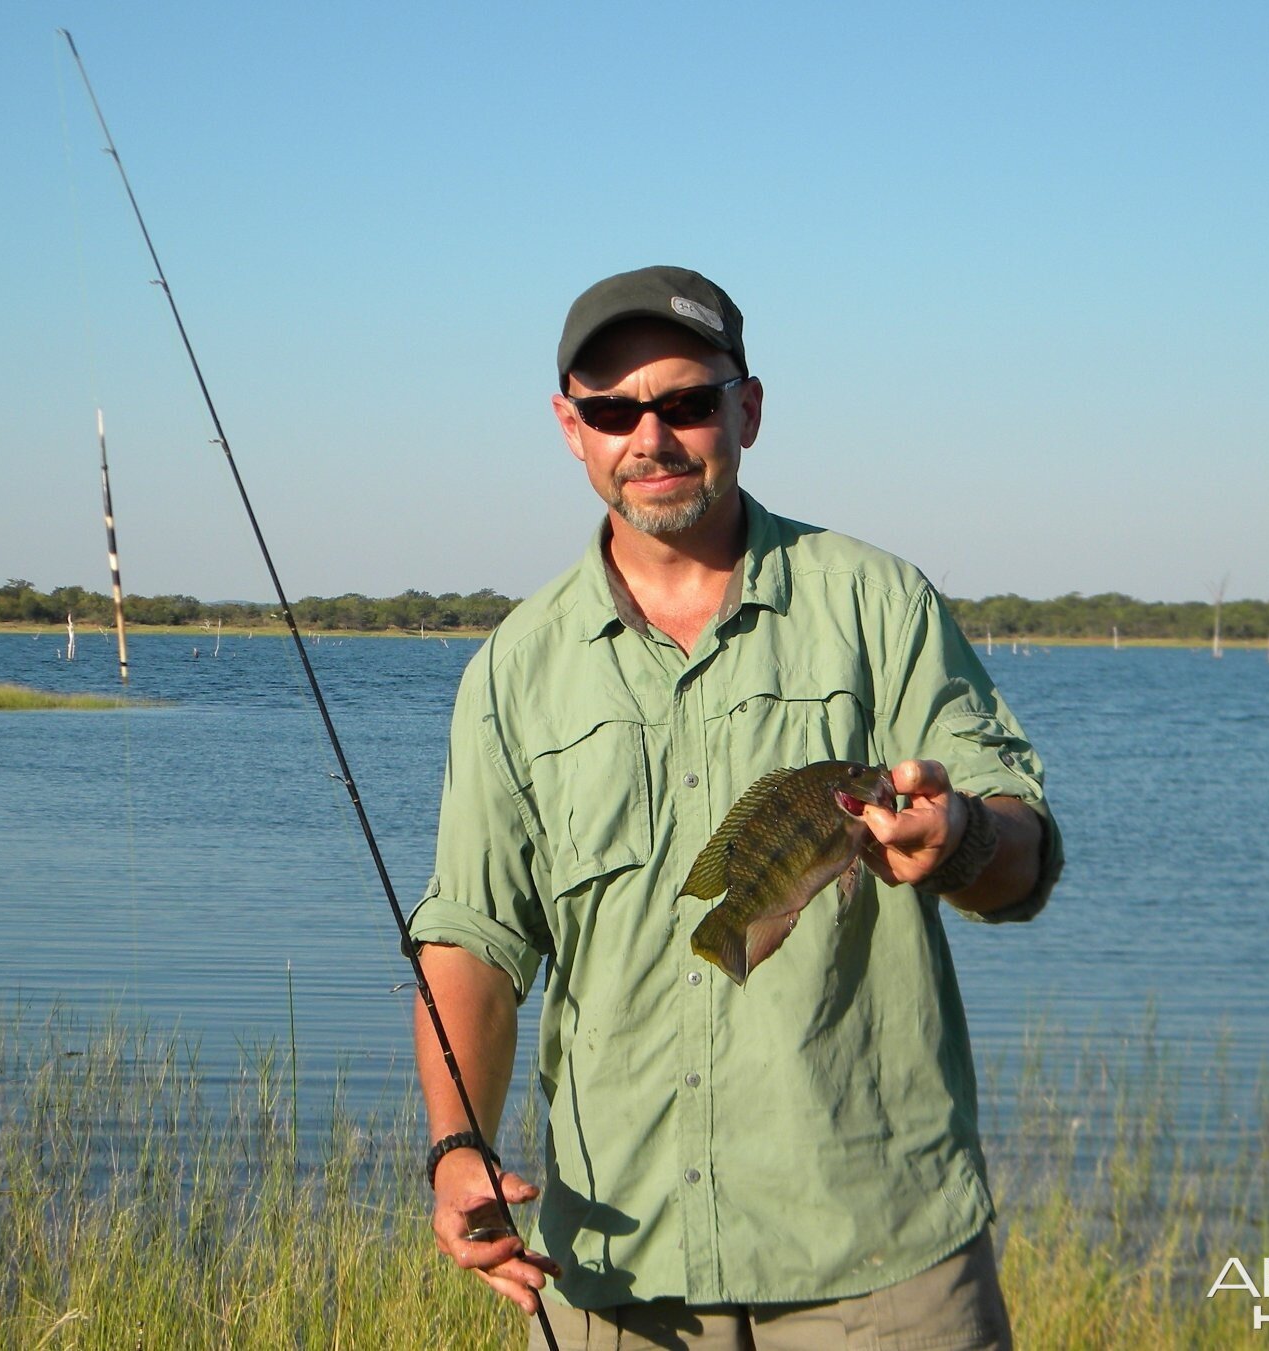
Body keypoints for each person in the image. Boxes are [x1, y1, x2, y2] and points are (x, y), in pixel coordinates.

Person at [409, 265, 1064, 1350]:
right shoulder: (513, 670)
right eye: (615, 409)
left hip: (881, 1260)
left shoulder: (877, 602)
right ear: (571, 427)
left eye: (687, 402)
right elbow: (475, 935)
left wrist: (959, 838)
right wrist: (455, 1145)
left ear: (746, 408)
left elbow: (1023, 854)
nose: (651, 436)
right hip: (615, 1269)